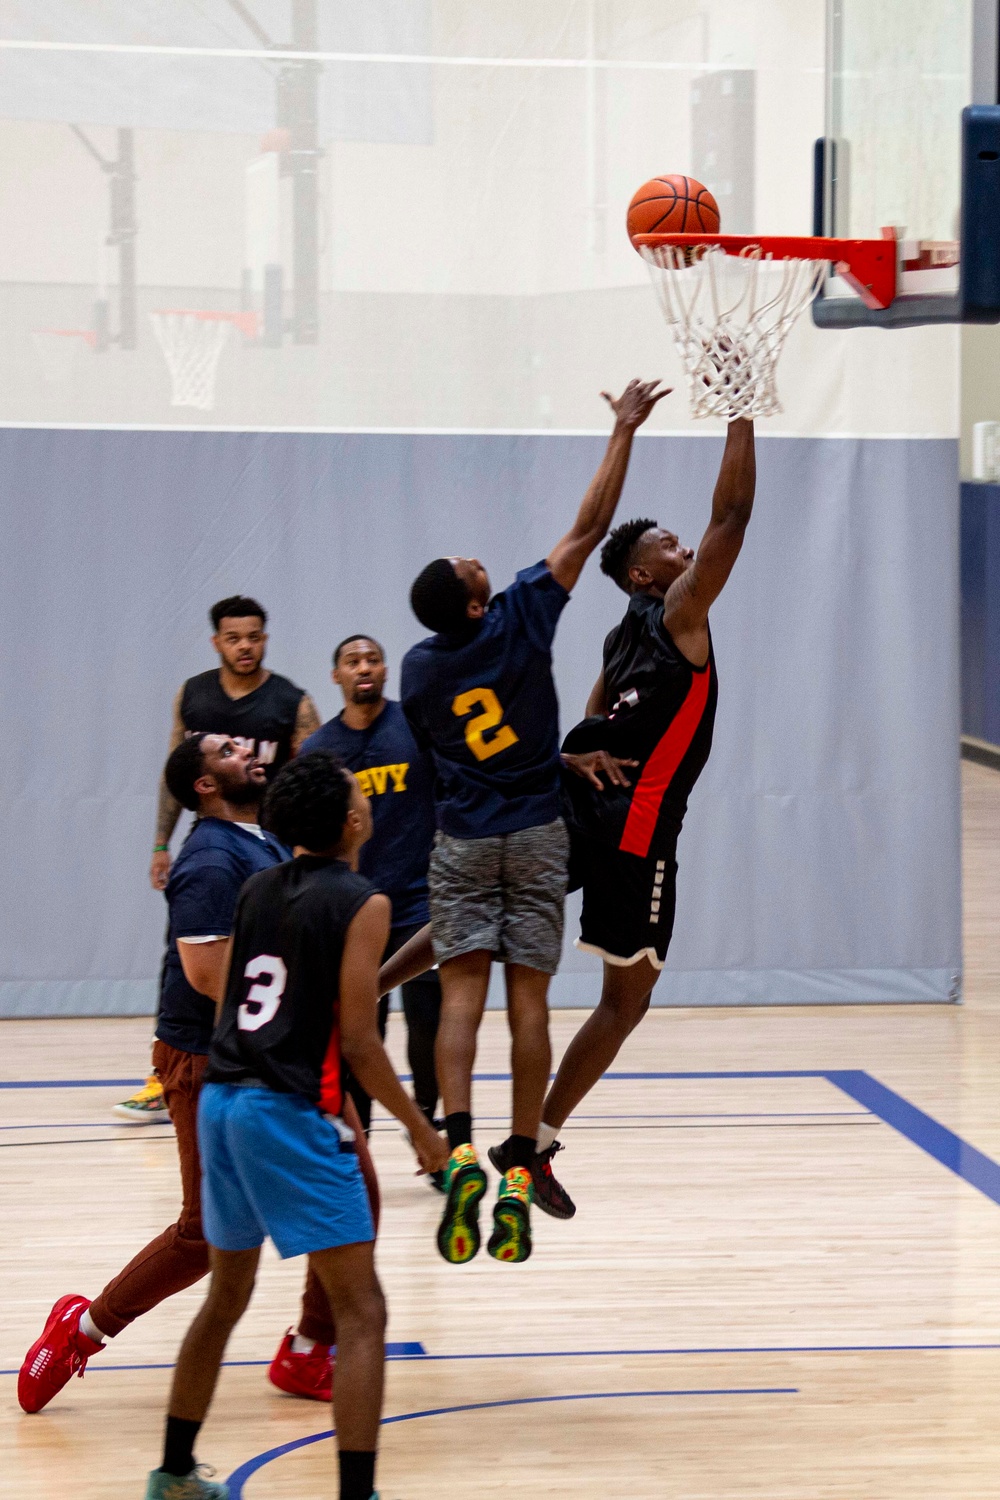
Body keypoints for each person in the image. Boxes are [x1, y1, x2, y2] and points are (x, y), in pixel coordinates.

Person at [19, 734, 375, 1414]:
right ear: (205, 784)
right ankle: (83, 1331)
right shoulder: (211, 859)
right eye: (227, 750)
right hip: (209, 1058)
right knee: (205, 1235)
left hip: (266, 1053)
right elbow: (209, 974)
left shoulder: (265, 842)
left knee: (352, 1189)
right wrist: (310, 1004)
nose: (247, 750)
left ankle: (310, 1348)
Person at [400, 378, 669, 1266]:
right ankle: (521, 1167)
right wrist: (622, 428)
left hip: (468, 840)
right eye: (469, 566)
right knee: (529, 1004)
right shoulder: (520, 613)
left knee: (457, 1000)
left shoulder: (419, 668)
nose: (477, 558)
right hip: (538, 830)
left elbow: (450, 753)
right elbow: (591, 524)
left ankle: (462, 1150)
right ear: (476, 602)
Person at [138, 750, 447, 1500]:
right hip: (285, 1109)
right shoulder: (364, 902)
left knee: (226, 1296)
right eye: (357, 795)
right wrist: (420, 1129)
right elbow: (361, 1036)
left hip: (225, 1098)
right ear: (353, 820)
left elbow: (256, 1002)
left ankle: (173, 1475)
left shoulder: (256, 888)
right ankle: (355, 1494)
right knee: (362, 1311)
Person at [512, 416, 757, 1218]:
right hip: (637, 832)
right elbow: (734, 519)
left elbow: (588, 725)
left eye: (682, 541)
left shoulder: (622, 638)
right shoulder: (682, 615)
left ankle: (364, 987)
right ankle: (536, 1144)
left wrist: (567, 761)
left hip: (580, 806)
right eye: (670, 545)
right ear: (648, 577)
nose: (687, 547)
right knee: (627, 1001)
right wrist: (741, 412)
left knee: (478, 913)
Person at [116, 596, 319, 1126]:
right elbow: (172, 772)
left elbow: (312, 778)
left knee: (274, 948)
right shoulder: (195, 694)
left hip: (270, 844)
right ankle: (169, 1074)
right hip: (218, 842)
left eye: (254, 636)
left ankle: (257, 1062)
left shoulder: (290, 703)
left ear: (265, 638)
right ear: (217, 642)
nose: (245, 646)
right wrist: (161, 843)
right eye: (234, 638)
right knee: (189, 956)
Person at [302, 634, 442, 1144]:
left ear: (385, 671)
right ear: (336, 676)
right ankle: (354, 1136)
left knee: (431, 1026)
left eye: (373, 659)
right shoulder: (319, 748)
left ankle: (428, 1122)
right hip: (352, 910)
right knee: (361, 1031)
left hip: (421, 902)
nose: (364, 666)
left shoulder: (415, 725)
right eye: (352, 660)